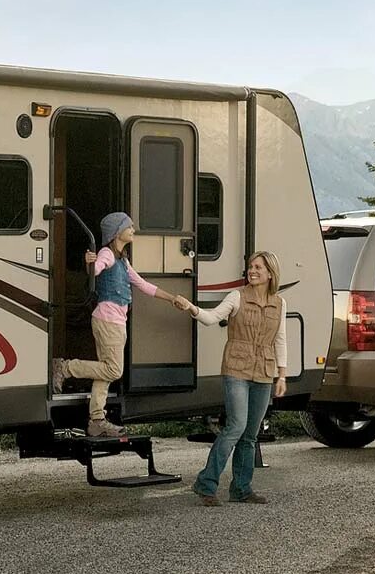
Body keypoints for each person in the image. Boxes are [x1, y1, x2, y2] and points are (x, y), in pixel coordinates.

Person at [51, 212, 190, 437]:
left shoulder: (123, 261)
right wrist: (90, 263)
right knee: (114, 370)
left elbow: (143, 284)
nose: (133, 229)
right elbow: (97, 268)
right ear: (117, 232)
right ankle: (65, 367)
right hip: (108, 320)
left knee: (105, 370)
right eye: (129, 226)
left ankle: (97, 420)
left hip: (116, 322)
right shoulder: (107, 254)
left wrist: (172, 298)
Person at [183, 251, 287, 506]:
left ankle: (241, 489)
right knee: (236, 427)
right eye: (251, 266)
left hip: (264, 372)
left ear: (270, 273)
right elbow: (212, 317)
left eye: (258, 267)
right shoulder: (237, 296)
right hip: (237, 369)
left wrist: (282, 375)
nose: (252, 271)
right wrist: (192, 308)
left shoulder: (279, 303)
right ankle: (206, 483)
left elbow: (280, 339)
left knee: (250, 434)